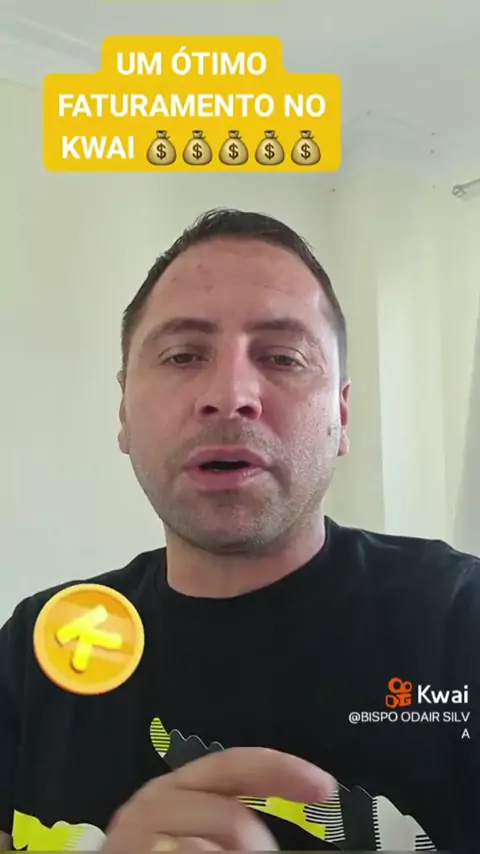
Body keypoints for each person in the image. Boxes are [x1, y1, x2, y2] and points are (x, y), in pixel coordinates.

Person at [0, 208, 478, 853]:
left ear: (341, 415)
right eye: (182, 355)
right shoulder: (39, 647)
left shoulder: (460, 621)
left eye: (282, 357)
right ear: (124, 411)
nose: (230, 395)